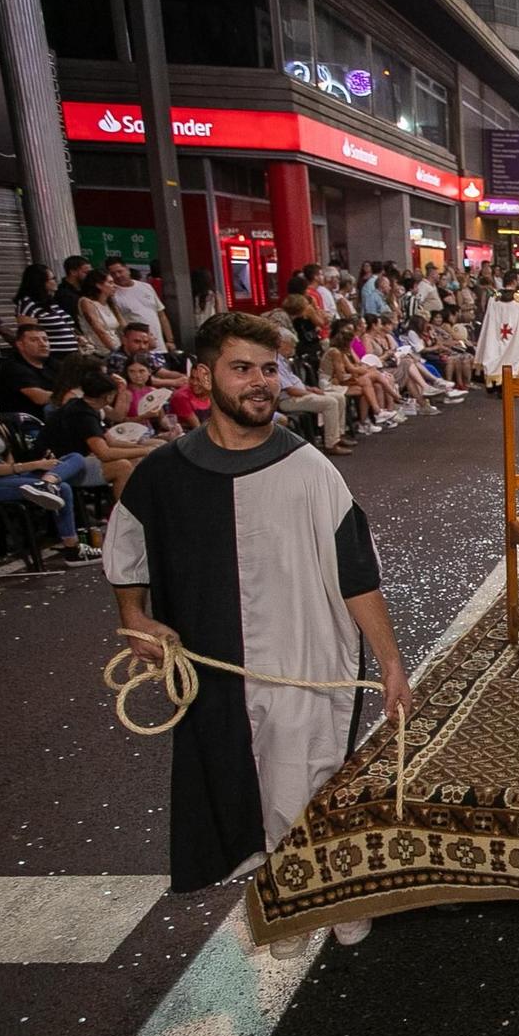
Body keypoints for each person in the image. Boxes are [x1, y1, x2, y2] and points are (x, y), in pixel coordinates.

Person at [103, 311, 413, 950]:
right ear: (203, 376)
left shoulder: (310, 469)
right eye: (241, 368)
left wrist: (390, 661)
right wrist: (133, 616)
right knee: (246, 780)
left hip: (308, 653)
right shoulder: (163, 473)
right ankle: (291, 903)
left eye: (269, 369)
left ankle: (329, 892)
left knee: (311, 775)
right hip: (214, 663)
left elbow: (357, 571)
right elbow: (125, 551)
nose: (260, 383)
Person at [0, 379, 101, 565]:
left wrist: (39, 466)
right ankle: (72, 549)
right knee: (63, 487)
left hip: (10, 475)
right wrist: (36, 465)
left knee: (76, 458)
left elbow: (9, 462)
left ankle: (47, 482)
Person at [40, 356, 161, 494]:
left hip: (78, 457)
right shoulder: (82, 413)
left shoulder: (88, 406)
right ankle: (123, 514)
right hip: (62, 466)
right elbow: (105, 453)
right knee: (122, 466)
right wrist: (147, 451)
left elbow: (111, 442)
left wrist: (145, 448)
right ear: (108, 396)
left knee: (137, 458)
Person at [275, 326, 352, 456]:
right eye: (291, 346)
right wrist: (311, 393)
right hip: (288, 399)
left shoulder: (284, 361)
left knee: (339, 397)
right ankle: (330, 444)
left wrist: (310, 388)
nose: (293, 349)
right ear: (282, 344)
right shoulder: (276, 362)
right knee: (330, 402)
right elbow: (290, 389)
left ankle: (338, 435)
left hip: (300, 393)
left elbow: (295, 383)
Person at [14, 263, 80, 359]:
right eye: (52, 279)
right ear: (40, 282)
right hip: (53, 357)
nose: (55, 282)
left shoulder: (51, 303)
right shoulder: (28, 305)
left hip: (71, 356)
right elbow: (28, 334)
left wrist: (78, 338)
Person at [0, 323, 60, 416]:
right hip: (25, 423)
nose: (43, 344)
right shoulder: (13, 367)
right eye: (34, 340)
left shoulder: (51, 363)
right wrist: (70, 396)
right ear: (20, 345)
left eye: (45, 339)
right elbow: (39, 398)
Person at [107, 257, 173, 351]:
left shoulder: (146, 287)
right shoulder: (112, 294)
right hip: (138, 347)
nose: (117, 276)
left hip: (159, 344)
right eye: (113, 274)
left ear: (127, 269)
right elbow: (121, 324)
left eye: (120, 271)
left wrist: (170, 340)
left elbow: (161, 315)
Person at [79, 273, 122, 355]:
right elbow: (100, 331)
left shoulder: (110, 303)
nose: (114, 286)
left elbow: (124, 325)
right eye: (110, 282)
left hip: (115, 347)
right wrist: (115, 352)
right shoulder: (86, 302)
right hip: (98, 352)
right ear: (99, 285)